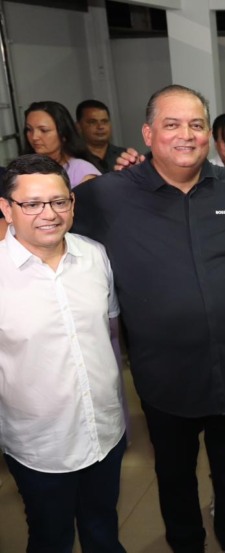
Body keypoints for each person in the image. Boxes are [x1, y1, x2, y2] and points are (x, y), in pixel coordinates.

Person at [72, 84, 225, 553]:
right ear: (147, 134)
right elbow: (46, 226)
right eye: (172, 124)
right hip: (165, 381)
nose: (186, 135)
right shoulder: (107, 196)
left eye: (196, 125)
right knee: (176, 483)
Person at [0, 154, 126, 552]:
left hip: (105, 432)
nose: (49, 214)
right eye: (32, 204)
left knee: (103, 531)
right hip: (39, 447)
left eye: (59, 201)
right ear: (6, 208)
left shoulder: (95, 256)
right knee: (50, 538)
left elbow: (109, 331)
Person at [23, 101, 102, 186]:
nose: (34, 137)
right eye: (29, 129)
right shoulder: (24, 170)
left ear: (63, 133)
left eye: (44, 130)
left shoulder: (82, 171)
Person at [75, 99, 128, 172]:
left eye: (104, 121)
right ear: (78, 126)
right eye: (92, 122)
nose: (100, 127)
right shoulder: (73, 159)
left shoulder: (125, 156)